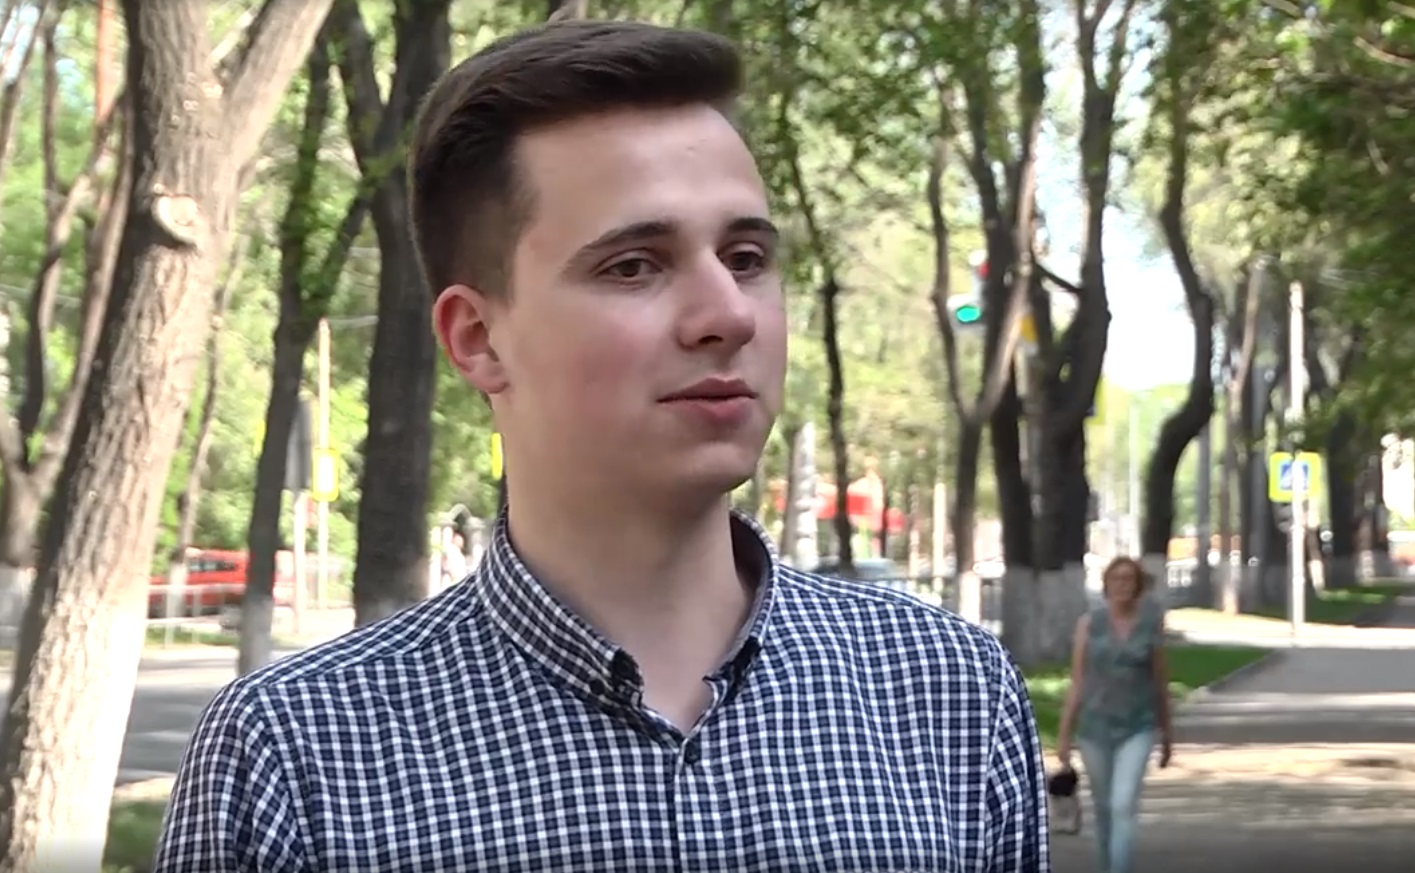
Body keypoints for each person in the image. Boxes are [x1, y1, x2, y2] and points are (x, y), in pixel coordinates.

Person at [153, 19, 1050, 873]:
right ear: (477, 338)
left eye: (744, 258)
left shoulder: (945, 693)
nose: (727, 314)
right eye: (633, 265)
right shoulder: (297, 756)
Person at [1055, 556, 1174, 873]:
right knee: (1104, 809)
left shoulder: (1150, 624)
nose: (1122, 585)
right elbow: (1078, 680)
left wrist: (1167, 735)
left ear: (1138, 586)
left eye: (1129, 579)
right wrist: (1064, 735)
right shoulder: (1089, 624)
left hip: (1138, 727)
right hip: (1095, 729)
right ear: (1106, 584)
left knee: (1123, 804)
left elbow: (1160, 681)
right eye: (1116, 579)